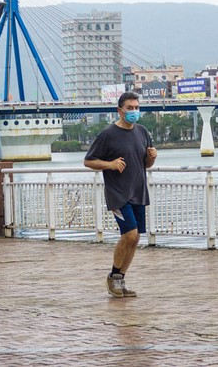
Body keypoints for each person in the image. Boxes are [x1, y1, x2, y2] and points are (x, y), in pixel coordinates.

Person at [84, 91, 157, 298]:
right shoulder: (108, 135)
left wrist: (152, 158)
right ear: (120, 110)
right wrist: (110, 164)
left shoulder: (142, 132)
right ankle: (113, 277)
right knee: (129, 234)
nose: (134, 111)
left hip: (138, 192)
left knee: (135, 239)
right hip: (118, 194)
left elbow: (146, 164)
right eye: (130, 108)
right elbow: (89, 161)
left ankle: (121, 279)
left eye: (136, 108)